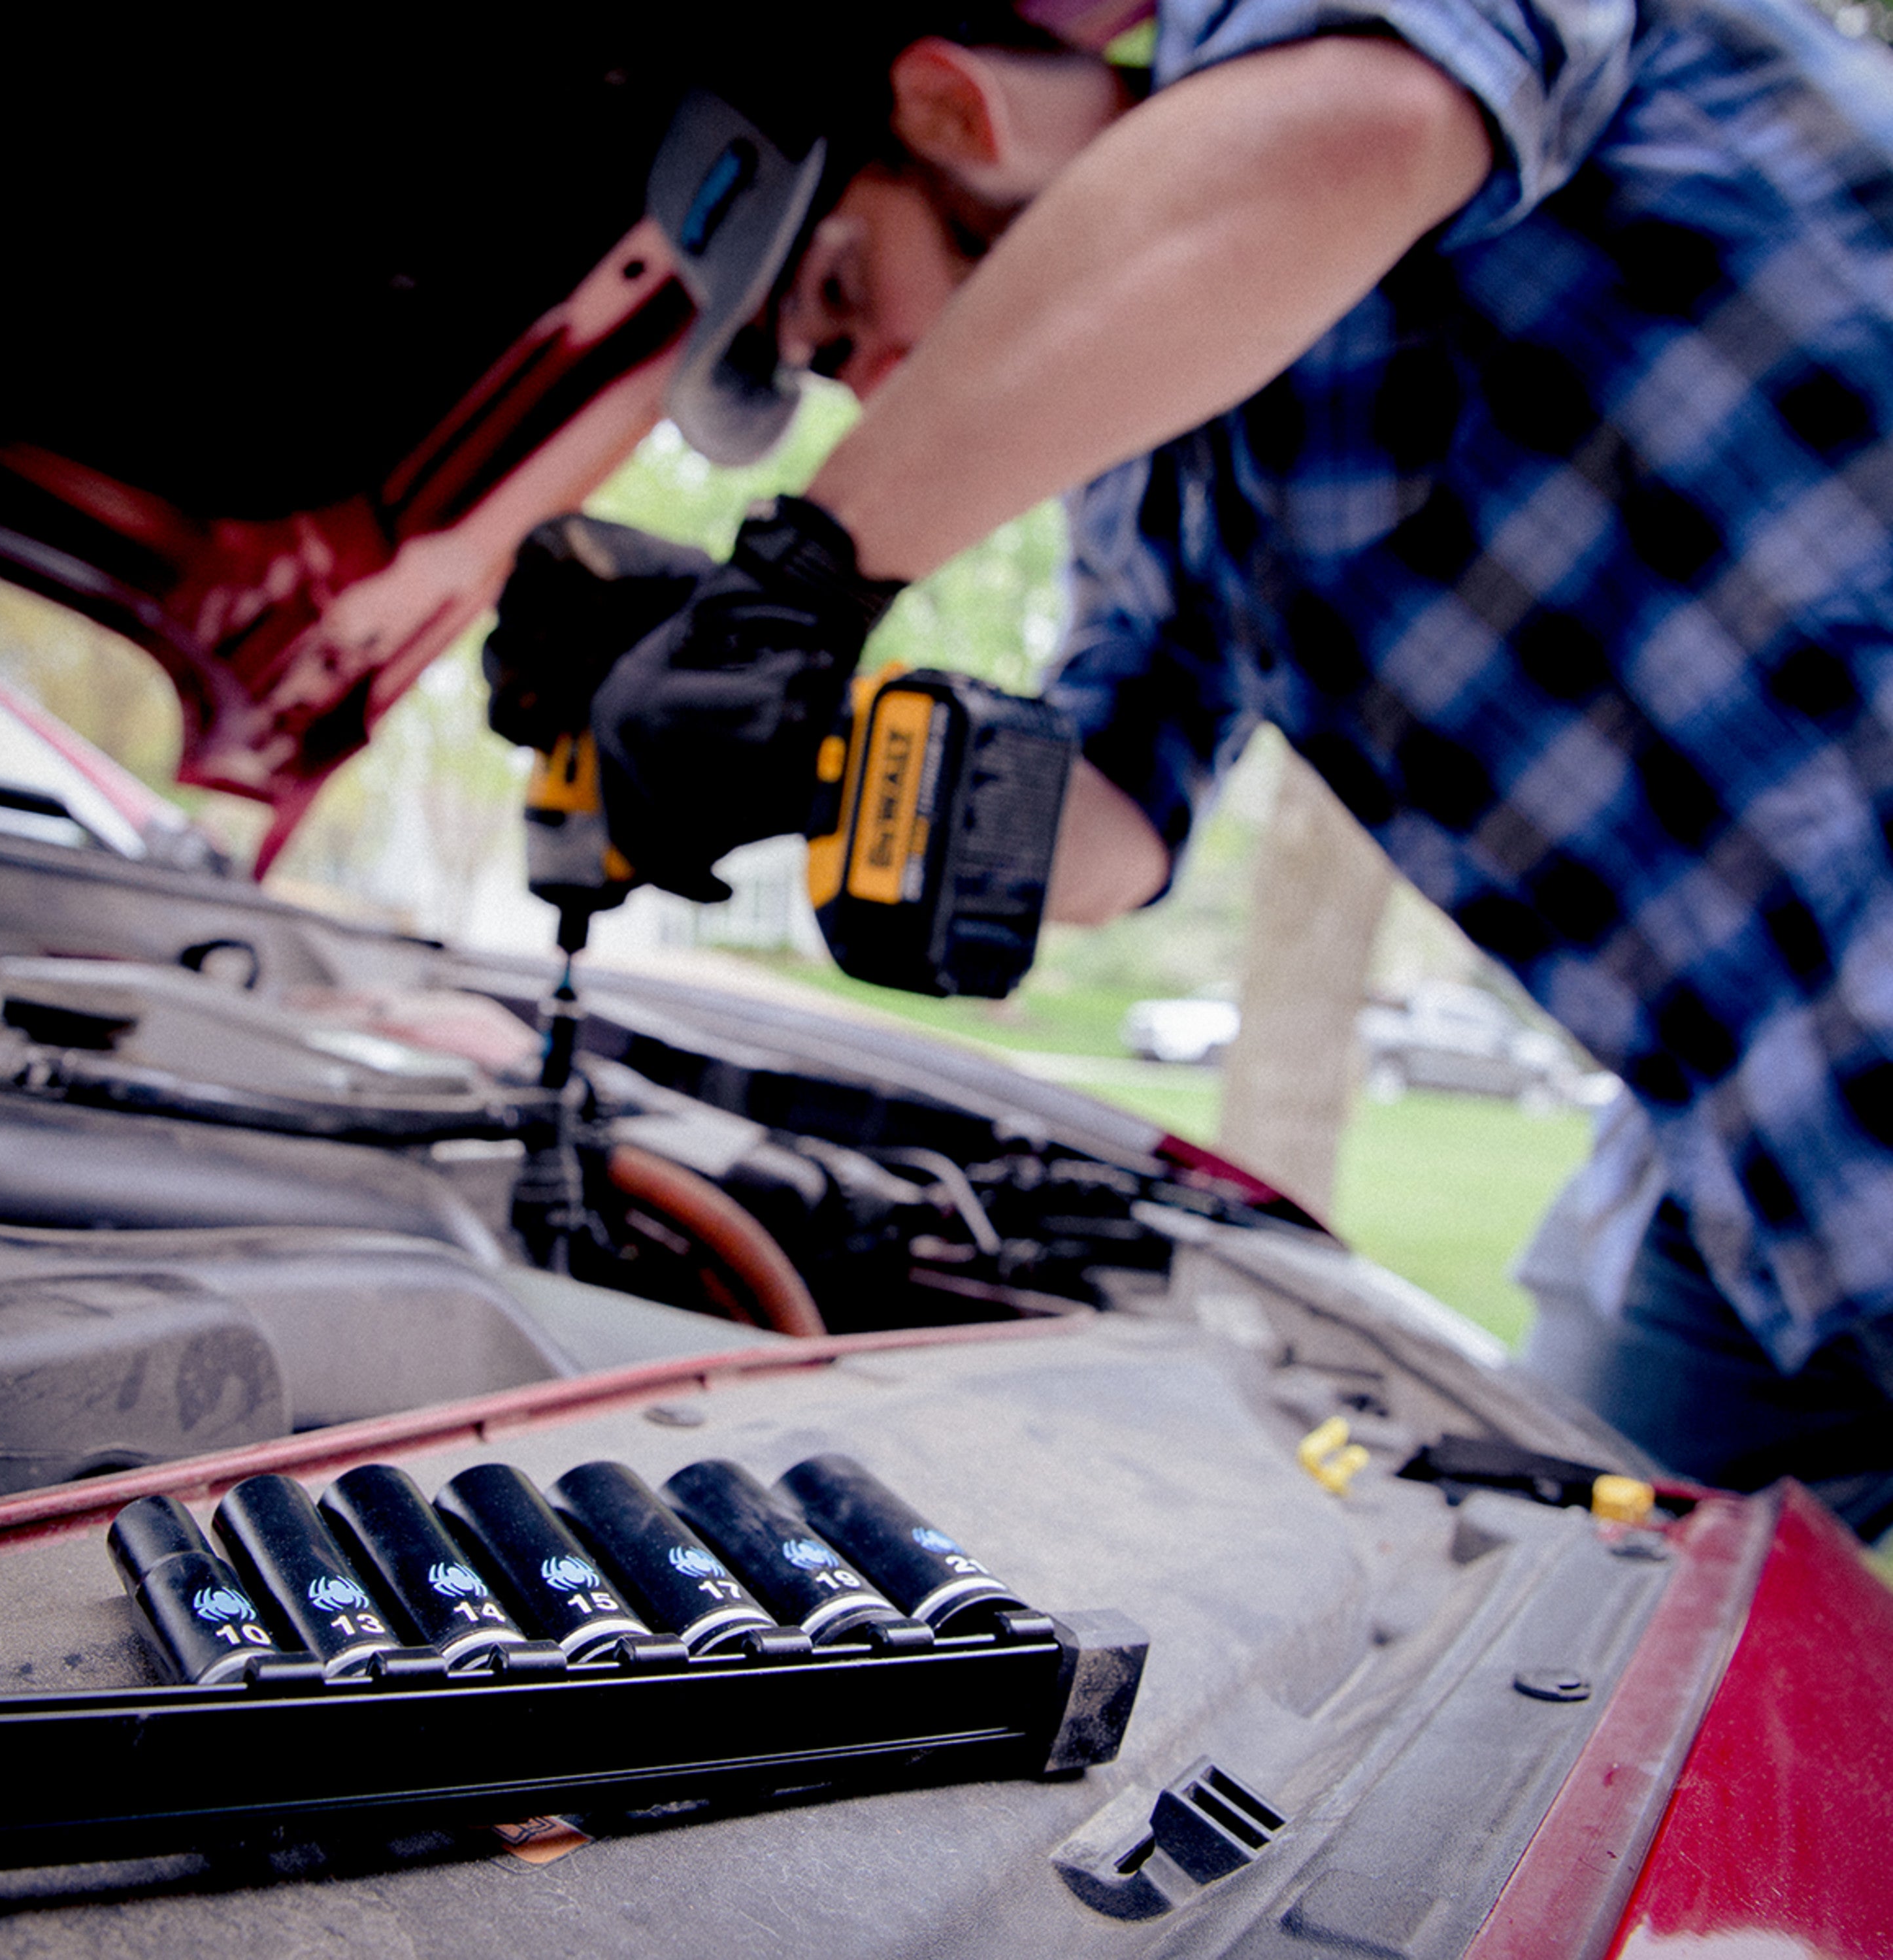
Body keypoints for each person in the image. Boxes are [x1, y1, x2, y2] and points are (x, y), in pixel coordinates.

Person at [489, 0, 1893, 1536]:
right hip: (1751, 1175)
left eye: (843, 295)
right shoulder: (1150, 502)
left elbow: (1362, 133)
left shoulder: (1356, 47)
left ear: (952, 110)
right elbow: (1112, 830)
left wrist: (807, 575)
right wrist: (798, 741)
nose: (876, 386)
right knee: (1572, 1595)